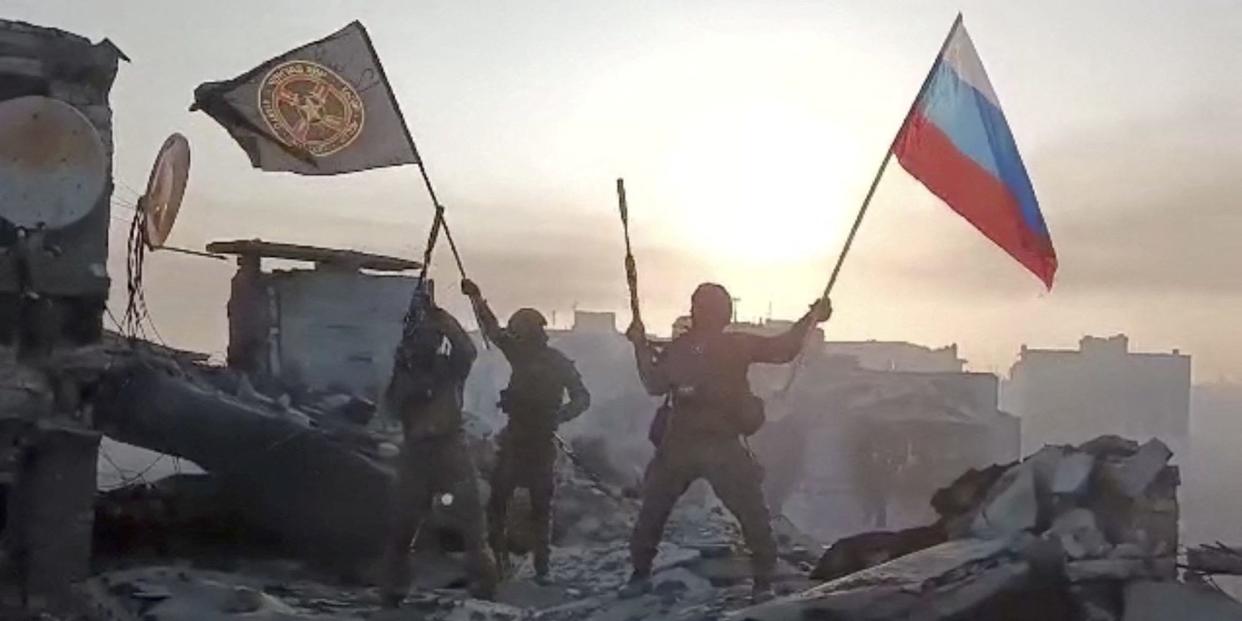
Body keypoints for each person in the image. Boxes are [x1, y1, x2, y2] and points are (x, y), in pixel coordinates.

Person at [623, 283, 832, 600]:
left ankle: (640, 574)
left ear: (695, 311)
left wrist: (640, 347)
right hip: (719, 445)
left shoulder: (683, 348)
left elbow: (653, 383)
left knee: (654, 513)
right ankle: (763, 581)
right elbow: (784, 349)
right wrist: (810, 318)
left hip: (681, 445)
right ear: (725, 313)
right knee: (752, 516)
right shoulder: (734, 345)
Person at [461, 278, 591, 584]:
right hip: (516, 438)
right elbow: (492, 330)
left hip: (539, 442)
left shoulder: (555, 362)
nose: (516, 337)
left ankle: (540, 566)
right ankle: (503, 560)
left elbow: (582, 397)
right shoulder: (523, 355)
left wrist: (560, 416)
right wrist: (477, 298)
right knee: (500, 503)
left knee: (539, 507)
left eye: (520, 331)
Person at [381, 300, 498, 607]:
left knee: (473, 525)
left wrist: (444, 319)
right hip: (417, 454)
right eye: (421, 338)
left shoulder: (449, 369)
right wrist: (404, 369)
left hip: (450, 448)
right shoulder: (403, 376)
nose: (427, 344)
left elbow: (467, 350)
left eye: (431, 338)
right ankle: (394, 590)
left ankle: (484, 586)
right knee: (402, 528)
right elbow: (392, 407)